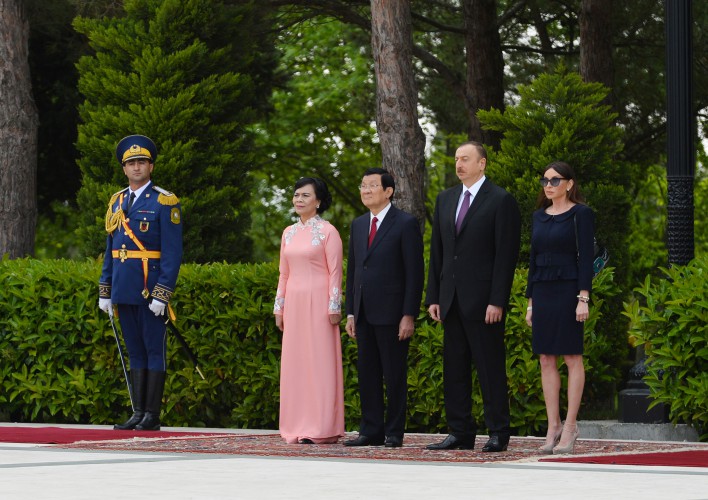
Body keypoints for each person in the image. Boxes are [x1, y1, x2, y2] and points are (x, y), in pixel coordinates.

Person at [426, 141, 521, 452]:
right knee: (454, 368)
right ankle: (460, 431)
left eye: (466, 159)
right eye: (456, 159)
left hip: (483, 303)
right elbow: (438, 253)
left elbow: (505, 255)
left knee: (490, 367)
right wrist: (434, 297)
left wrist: (498, 300)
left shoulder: (500, 200)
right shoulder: (445, 199)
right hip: (450, 299)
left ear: (482, 164)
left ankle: (498, 432)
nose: (459, 164)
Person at [98, 134, 183, 431]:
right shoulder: (117, 201)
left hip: (150, 288)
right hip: (124, 287)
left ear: (151, 166)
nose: (136, 168)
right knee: (134, 349)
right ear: (124, 168)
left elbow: (172, 254)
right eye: (131, 163)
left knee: (153, 349)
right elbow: (111, 250)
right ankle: (137, 413)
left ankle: (152, 415)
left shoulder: (164, 201)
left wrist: (162, 293)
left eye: (141, 162)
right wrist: (105, 289)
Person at [344, 168, 424, 448]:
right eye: (362, 185)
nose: (365, 190)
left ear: (388, 191)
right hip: (363, 312)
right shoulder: (357, 225)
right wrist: (351, 311)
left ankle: (393, 432)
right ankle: (371, 429)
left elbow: (415, 272)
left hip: (393, 313)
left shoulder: (405, 223)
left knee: (394, 375)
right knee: (367, 374)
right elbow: (354, 270)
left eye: (372, 186)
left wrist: (408, 314)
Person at [525, 161, 594, 455]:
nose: (549, 185)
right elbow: (532, 259)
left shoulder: (581, 214)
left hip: (569, 290)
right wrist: (530, 303)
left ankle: (570, 426)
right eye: (545, 180)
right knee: (545, 358)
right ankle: (552, 425)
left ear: (569, 184)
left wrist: (583, 297)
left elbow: (586, 258)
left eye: (555, 180)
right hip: (542, 290)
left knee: (572, 356)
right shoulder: (538, 217)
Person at [273, 177, 345, 444]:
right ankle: (295, 425)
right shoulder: (288, 233)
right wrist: (279, 307)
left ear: (318, 201)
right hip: (294, 302)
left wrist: (333, 305)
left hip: (319, 301)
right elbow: (283, 272)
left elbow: (336, 271)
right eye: (296, 195)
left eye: (305, 195)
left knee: (320, 362)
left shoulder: (328, 232)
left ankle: (322, 427)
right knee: (296, 364)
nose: (299, 200)